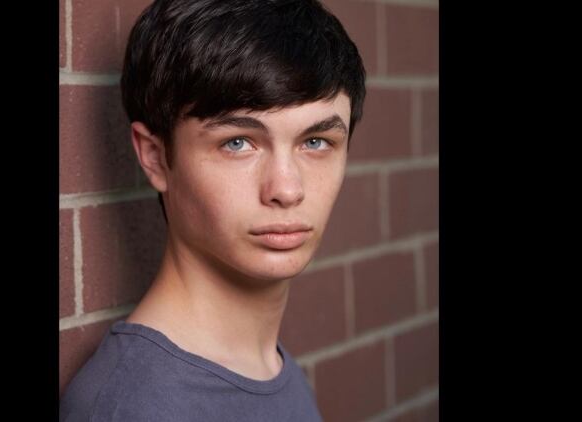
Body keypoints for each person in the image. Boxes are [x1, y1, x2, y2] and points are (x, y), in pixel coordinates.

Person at [60, 0, 365, 420]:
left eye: (315, 142)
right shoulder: (132, 405)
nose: (287, 189)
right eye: (237, 142)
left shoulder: (274, 371)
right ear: (154, 156)